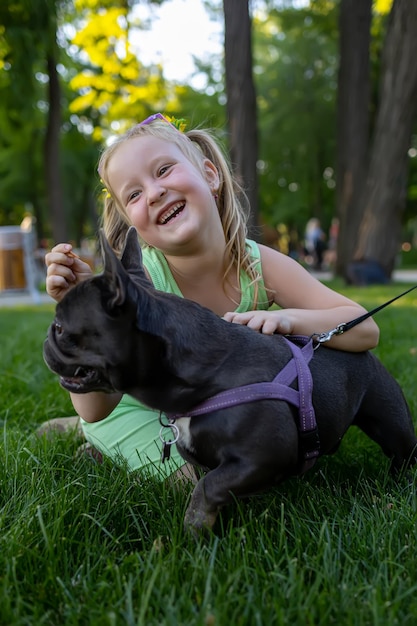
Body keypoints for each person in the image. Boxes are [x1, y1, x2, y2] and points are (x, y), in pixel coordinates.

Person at [44, 113, 379, 481]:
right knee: (199, 477)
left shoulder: (258, 266)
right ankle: (92, 439)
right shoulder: (140, 287)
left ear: (210, 174)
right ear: (131, 222)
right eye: (135, 194)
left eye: (164, 170)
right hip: (136, 411)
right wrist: (81, 312)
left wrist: (289, 320)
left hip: (212, 408)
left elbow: (365, 330)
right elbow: (98, 408)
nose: (154, 193)